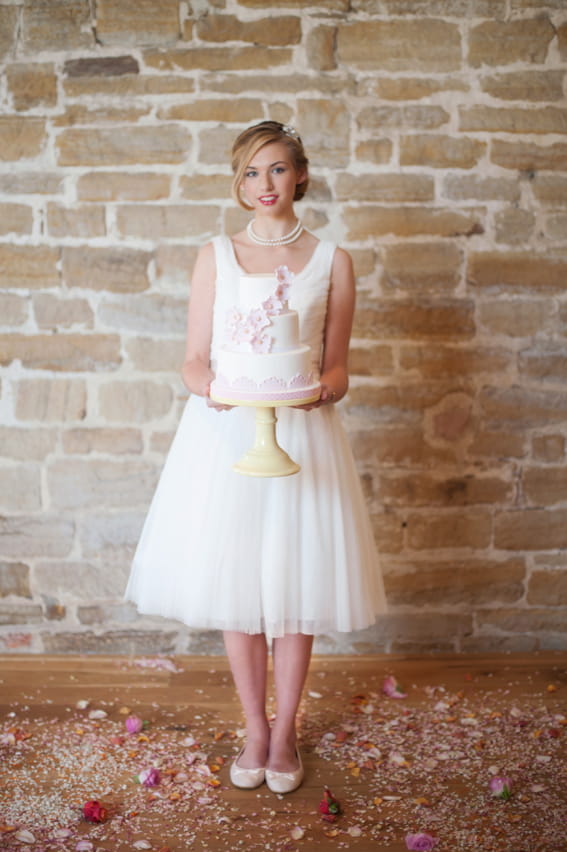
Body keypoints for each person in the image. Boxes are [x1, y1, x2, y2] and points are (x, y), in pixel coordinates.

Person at [125, 120, 386, 795]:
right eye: (248, 172)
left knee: (295, 587)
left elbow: (337, 371)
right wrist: (213, 389)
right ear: (237, 183)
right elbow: (191, 360)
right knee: (237, 586)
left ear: (299, 174)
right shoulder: (215, 254)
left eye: (274, 169)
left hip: (301, 434)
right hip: (225, 437)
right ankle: (253, 727)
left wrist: (314, 393)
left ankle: (288, 729)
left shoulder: (333, 260)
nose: (262, 184)